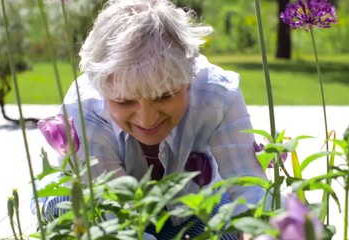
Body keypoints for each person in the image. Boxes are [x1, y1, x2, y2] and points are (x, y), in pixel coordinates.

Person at [38, 0, 268, 239]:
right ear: (102, 90)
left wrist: (254, 231)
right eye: (125, 101)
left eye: (164, 96)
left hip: (191, 207)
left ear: (188, 79)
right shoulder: (83, 112)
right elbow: (115, 219)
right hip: (108, 212)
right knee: (64, 210)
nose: (147, 120)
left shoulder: (218, 93)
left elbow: (249, 187)